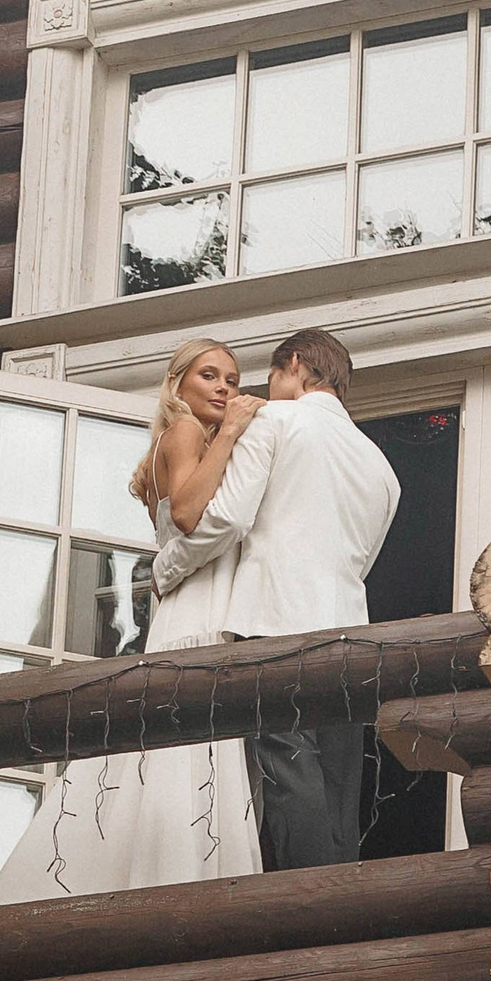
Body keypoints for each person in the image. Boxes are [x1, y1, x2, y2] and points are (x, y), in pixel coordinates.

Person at [0, 338, 265, 904]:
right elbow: (187, 514)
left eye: (232, 380)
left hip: (183, 610)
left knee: (174, 757)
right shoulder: (186, 433)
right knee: (188, 753)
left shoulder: (181, 444)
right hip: (195, 616)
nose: (225, 389)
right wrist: (233, 432)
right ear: (177, 385)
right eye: (209, 376)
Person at [153, 327, 400, 872]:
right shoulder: (381, 466)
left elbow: (227, 518)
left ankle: (306, 907)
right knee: (339, 786)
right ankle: (343, 906)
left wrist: (165, 566)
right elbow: (362, 559)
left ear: (293, 364)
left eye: (267, 376)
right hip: (351, 636)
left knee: (287, 770)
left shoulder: (275, 420)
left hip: (275, 623)